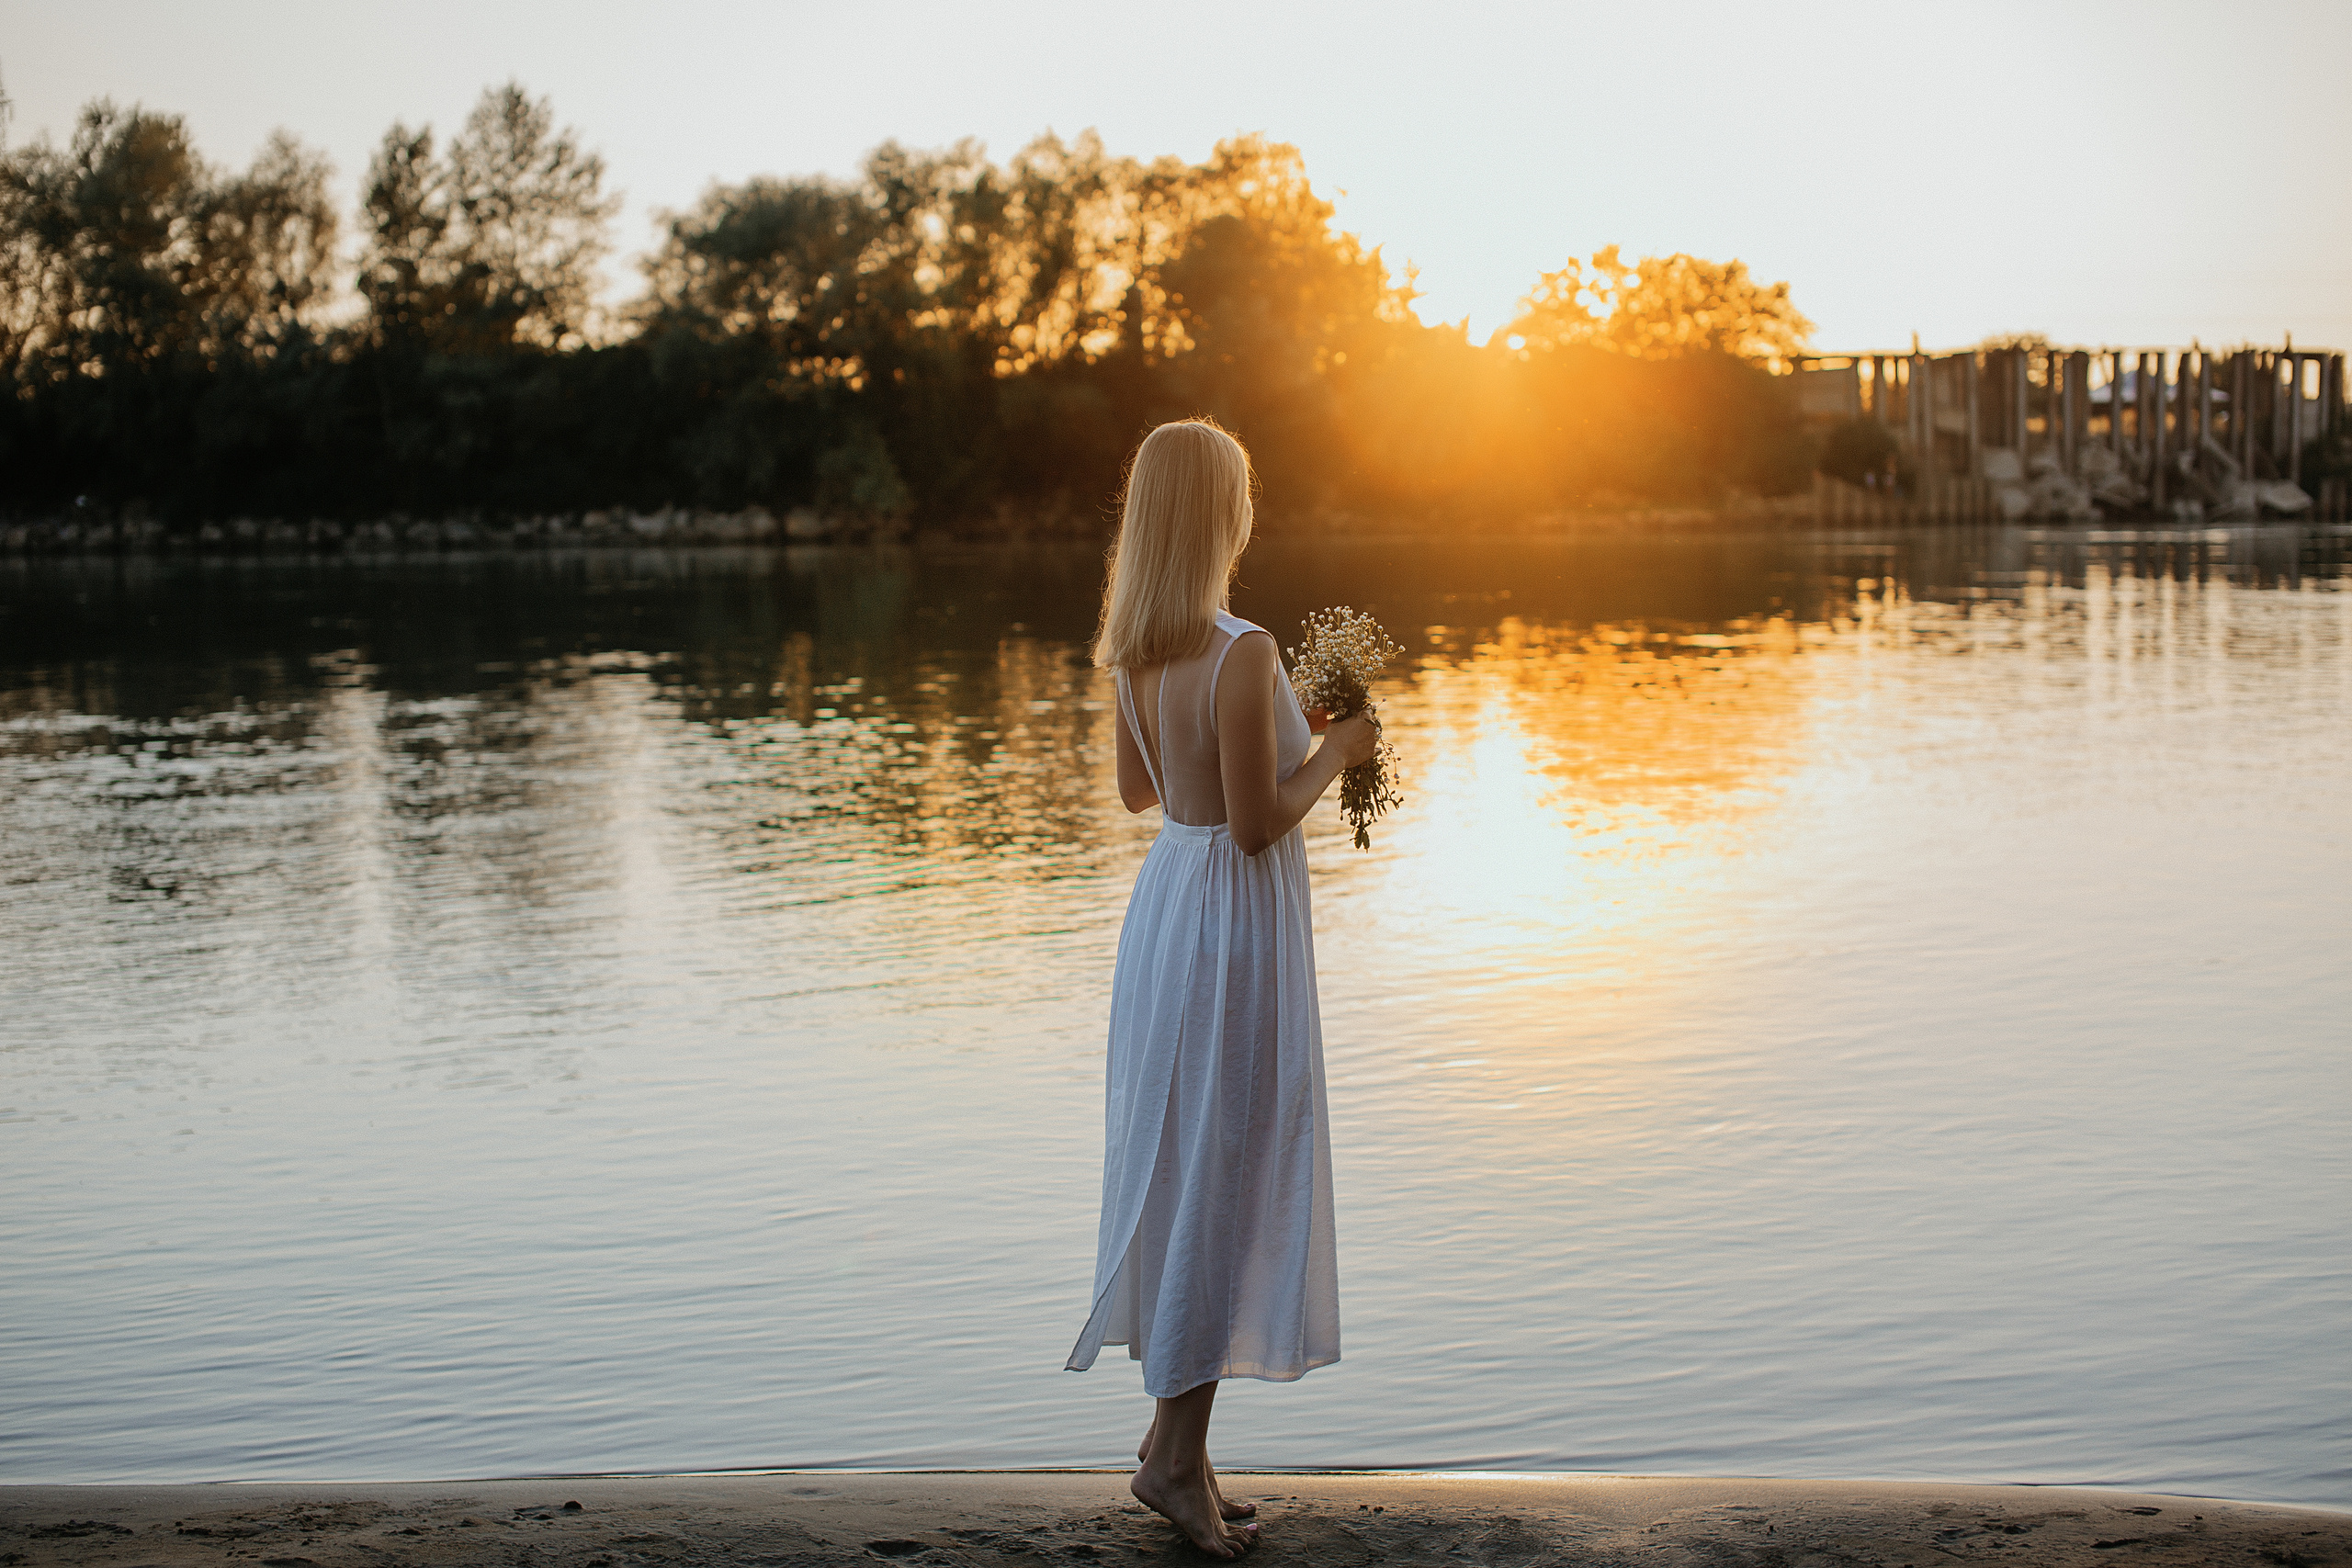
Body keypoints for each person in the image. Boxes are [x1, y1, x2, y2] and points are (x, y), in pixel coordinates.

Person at [1064, 419, 1379, 1558]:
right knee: (1225, 1171)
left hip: (1165, 912)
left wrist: (1278, 736)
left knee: (1186, 1161)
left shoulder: (1134, 646)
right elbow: (1256, 826)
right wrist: (1337, 751)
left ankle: (1178, 1452)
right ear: (1220, 515)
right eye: (1240, 494)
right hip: (1232, 929)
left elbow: (1139, 793)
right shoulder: (1242, 650)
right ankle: (1170, 1463)